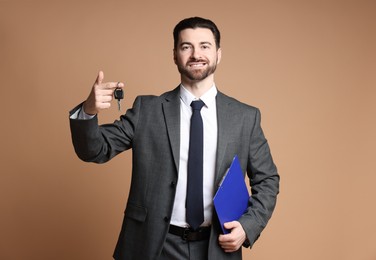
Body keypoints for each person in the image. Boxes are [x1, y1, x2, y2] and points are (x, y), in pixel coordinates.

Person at [69, 17, 279, 260]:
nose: (195, 54)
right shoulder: (147, 110)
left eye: (204, 46)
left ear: (218, 54)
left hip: (217, 247)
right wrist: (89, 110)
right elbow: (95, 150)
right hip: (154, 247)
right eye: (186, 46)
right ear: (175, 55)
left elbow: (268, 180)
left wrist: (247, 226)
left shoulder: (245, 117)